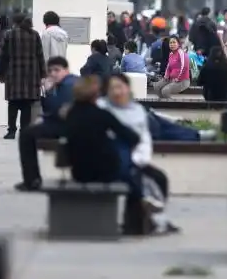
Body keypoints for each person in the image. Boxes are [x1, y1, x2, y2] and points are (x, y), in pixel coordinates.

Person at [99, 73, 178, 235]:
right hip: (110, 162)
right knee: (135, 179)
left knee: (159, 177)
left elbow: (144, 140)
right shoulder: (101, 110)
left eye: (120, 87)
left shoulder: (137, 110)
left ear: (127, 88)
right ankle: (135, 225)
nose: (117, 92)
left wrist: (140, 160)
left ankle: (151, 219)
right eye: (112, 88)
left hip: (136, 159)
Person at [63, 75, 141, 183]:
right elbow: (132, 137)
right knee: (119, 143)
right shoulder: (101, 115)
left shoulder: (70, 114)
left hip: (79, 173)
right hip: (104, 173)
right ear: (96, 94)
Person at [16, 56, 78, 191]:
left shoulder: (66, 86)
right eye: (51, 71)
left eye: (57, 70)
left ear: (66, 70)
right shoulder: (73, 81)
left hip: (67, 127)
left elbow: (55, 109)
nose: (53, 74)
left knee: (27, 134)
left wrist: (48, 92)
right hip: (72, 125)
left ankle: (31, 180)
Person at [0, 14, 46, 140]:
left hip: (13, 74)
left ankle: (11, 131)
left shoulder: (9, 35)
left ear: (15, 22)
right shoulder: (34, 35)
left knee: (12, 104)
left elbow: (2, 56)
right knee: (26, 106)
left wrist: (0, 73)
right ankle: (24, 131)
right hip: (31, 75)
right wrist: (42, 74)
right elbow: (40, 56)